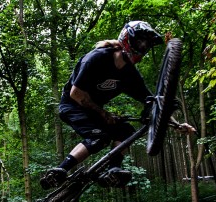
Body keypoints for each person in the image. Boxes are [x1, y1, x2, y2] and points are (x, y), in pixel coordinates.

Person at [40, 20, 196, 190]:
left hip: (92, 110)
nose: (143, 47)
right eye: (140, 42)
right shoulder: (97, 58)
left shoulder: (130, 75)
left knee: (126, 131)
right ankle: (60, 171)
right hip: (72, 105)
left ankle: (112, 170)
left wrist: (176, 124)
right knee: (99, 138)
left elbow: (154, 103)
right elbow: (76, 93)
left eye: (146, 45)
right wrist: (103, 113)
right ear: (128, 38)